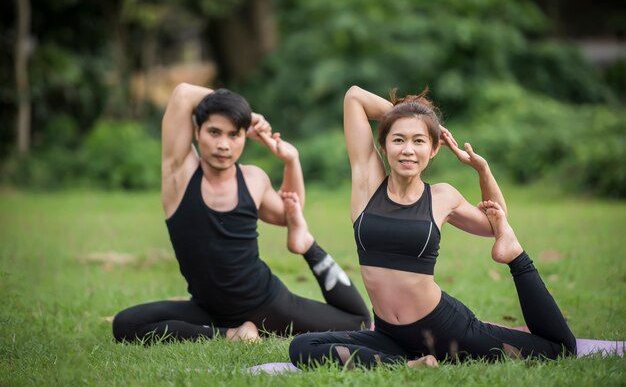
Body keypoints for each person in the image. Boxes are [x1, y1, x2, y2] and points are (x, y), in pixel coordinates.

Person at [289, 85, 576, 368]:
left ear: (434, 148)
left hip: (445, 329)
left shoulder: (441, 197)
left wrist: (482, 170)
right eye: (398, 140)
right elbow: (354, 96)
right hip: (389, 334)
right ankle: (407, 365)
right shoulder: (368, 185)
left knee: (559, 349)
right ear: (384, 145)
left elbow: (494, 223)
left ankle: (515, 255)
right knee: (302, 346)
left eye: (419, 140)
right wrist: (412, 116)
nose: (408, 150)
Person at [112, 83, 370, 343]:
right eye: (214, 132)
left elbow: (287, 214)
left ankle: (307, 245)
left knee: (358, 322)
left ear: (244, 137)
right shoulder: (180, 174)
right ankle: (231, 334)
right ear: (196, 131)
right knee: (126, 324)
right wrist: (249, 112)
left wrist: (291, 161)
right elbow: (182, 94)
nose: (223, 144)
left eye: (234, 134)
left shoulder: (253, 179)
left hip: (267, 303)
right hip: (207, 309)